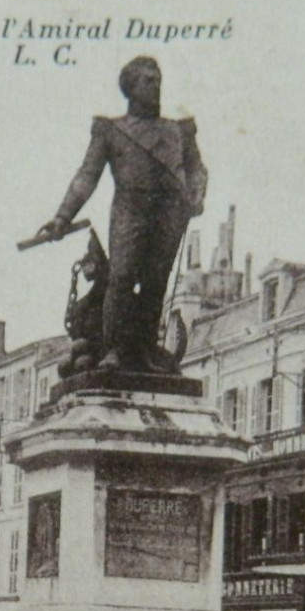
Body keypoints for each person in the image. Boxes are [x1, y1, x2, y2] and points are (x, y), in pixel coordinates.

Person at [39, 56, 208, 374]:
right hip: (130, 208)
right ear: (129, 88)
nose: (155, 85)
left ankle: (143, 349)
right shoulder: (112, 130)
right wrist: (63, 216)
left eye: (157, 79)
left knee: (156, 283)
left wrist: (197, 194)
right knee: (121, 276)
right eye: (146, 80)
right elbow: (87, 176)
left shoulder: (179, 131)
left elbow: (196, 169)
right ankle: (113, 348)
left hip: (170, 210)